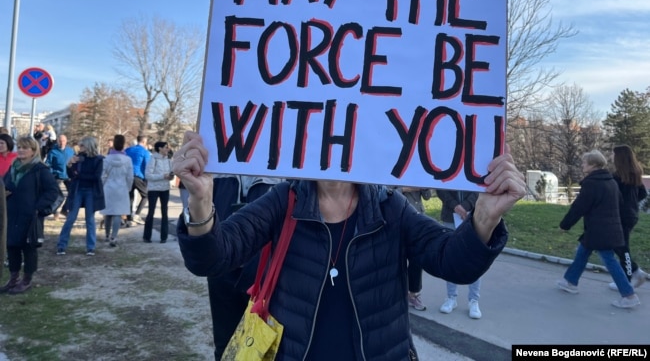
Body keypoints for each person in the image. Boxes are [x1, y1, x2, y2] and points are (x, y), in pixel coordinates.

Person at [174, 131, 526, 360]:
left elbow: (454, 263)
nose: (335, 144)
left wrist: (485, 218)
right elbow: (213, 258)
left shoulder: (391, 208)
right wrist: (201, 202)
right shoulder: (283, 201)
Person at [205, 175, 284, 360]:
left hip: (265, 275)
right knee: (226, 343)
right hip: (223, 273)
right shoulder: (220, 172)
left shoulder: (283, 176)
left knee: (266, 342)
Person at [556, 150, 640, 309]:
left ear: (593, 165)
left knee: (609, 259)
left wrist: (564, 225)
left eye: (584, 162)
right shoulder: (611, 181)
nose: (582, 165)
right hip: (604, 228)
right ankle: (570, 282)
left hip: (600, 230)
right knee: (582, 252)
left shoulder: (591, 183)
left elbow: (578, 207)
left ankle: (629, 295)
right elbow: (620, 204)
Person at [1, 136, 59, 294]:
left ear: (34, 151)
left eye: (25, 148)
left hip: (30, 216)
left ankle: (27, 280)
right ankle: (13, 279)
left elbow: (53, 191)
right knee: (12, 246)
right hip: (12, 214)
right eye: (19, 147)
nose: (20, 150)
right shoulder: (14, 167)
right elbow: (5, 185)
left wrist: (38, 208)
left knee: (28, 248)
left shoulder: (40, 169)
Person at [435, 188, 483, 319]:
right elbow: (440, 187)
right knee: (451, 257)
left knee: (474, 258)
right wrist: (455, 206)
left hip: (473, 215)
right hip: (450, 216)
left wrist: (466, 206)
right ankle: (451, 297)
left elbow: (479, 188)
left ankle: (473, 300)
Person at [56, 136, 105, 256]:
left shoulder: (98, 159)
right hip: (77, 189)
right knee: (71, 218)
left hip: (91, 191)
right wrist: (69, 165)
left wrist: (79, 175)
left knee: (90, 220)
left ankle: (90, 247)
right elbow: (71, 175)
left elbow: (96, 177)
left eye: (82, 145)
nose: (79, 147)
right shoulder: (77, 158)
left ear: (89, 146)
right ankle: (61, 245)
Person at [608, 144, 648, 290]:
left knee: (622, 247)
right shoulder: (634, 174)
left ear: (619, 157)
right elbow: (643, 193)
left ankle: (628, 278)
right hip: (631, 214)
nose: (611, 157)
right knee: (619, 246)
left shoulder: (616, 177)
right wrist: (632, 203)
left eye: (613, 154)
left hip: (620, 216)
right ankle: (635, 272)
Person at [393, 186, 433, 311]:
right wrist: (404, 189)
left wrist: (424, 187)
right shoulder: (395, 171)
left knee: (417, 260)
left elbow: (427, 197)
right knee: (398, 259)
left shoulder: (418, 174)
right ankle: (398, 295)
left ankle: (414, 293)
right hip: (398, 218)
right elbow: (385, 191)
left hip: (418, 219)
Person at [100, 135, 134, 247]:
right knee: (118, 214)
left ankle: (106, 235)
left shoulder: (107, 158)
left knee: (108, 213)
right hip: (122, 187)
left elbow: (103, 175)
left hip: (109, 187)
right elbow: (130, 177)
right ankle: (114, 237)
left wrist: (102, 186)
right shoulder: (128, 160)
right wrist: (128, 188)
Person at [143, 141, 173, 244]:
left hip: (165, 188)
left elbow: (171, 172)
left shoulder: (169, 160)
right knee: (151, 212)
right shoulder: (153, 159)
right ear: (159, 148)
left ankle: (163, 237)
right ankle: (147, 236)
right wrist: (162, 176)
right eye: (165, 147)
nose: (167, 149)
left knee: (165, 212)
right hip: (154, 189)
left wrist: (171, 176)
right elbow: (148, 175)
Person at [45, 134, 75, 218]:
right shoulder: (53, 151)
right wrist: (51, 174)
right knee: (56, 195)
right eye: (60, 141)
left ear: (66, 141)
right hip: (57, 176)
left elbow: (74, 162)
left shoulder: (70, 151)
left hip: (68, 176)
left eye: (63, 141)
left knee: (73, 193)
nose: (62, 143)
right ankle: (54, 211)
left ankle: (65, 210)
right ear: (57, 141)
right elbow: (48, 164)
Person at [125, 135, 150, 226]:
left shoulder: (128, 150)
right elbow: (147, 166)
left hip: (128, 176)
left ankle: (128, 219)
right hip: (139, 175)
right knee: (146, 195)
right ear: (143, 142)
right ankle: (137, 214)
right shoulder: (145, 152)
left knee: (130, 197)